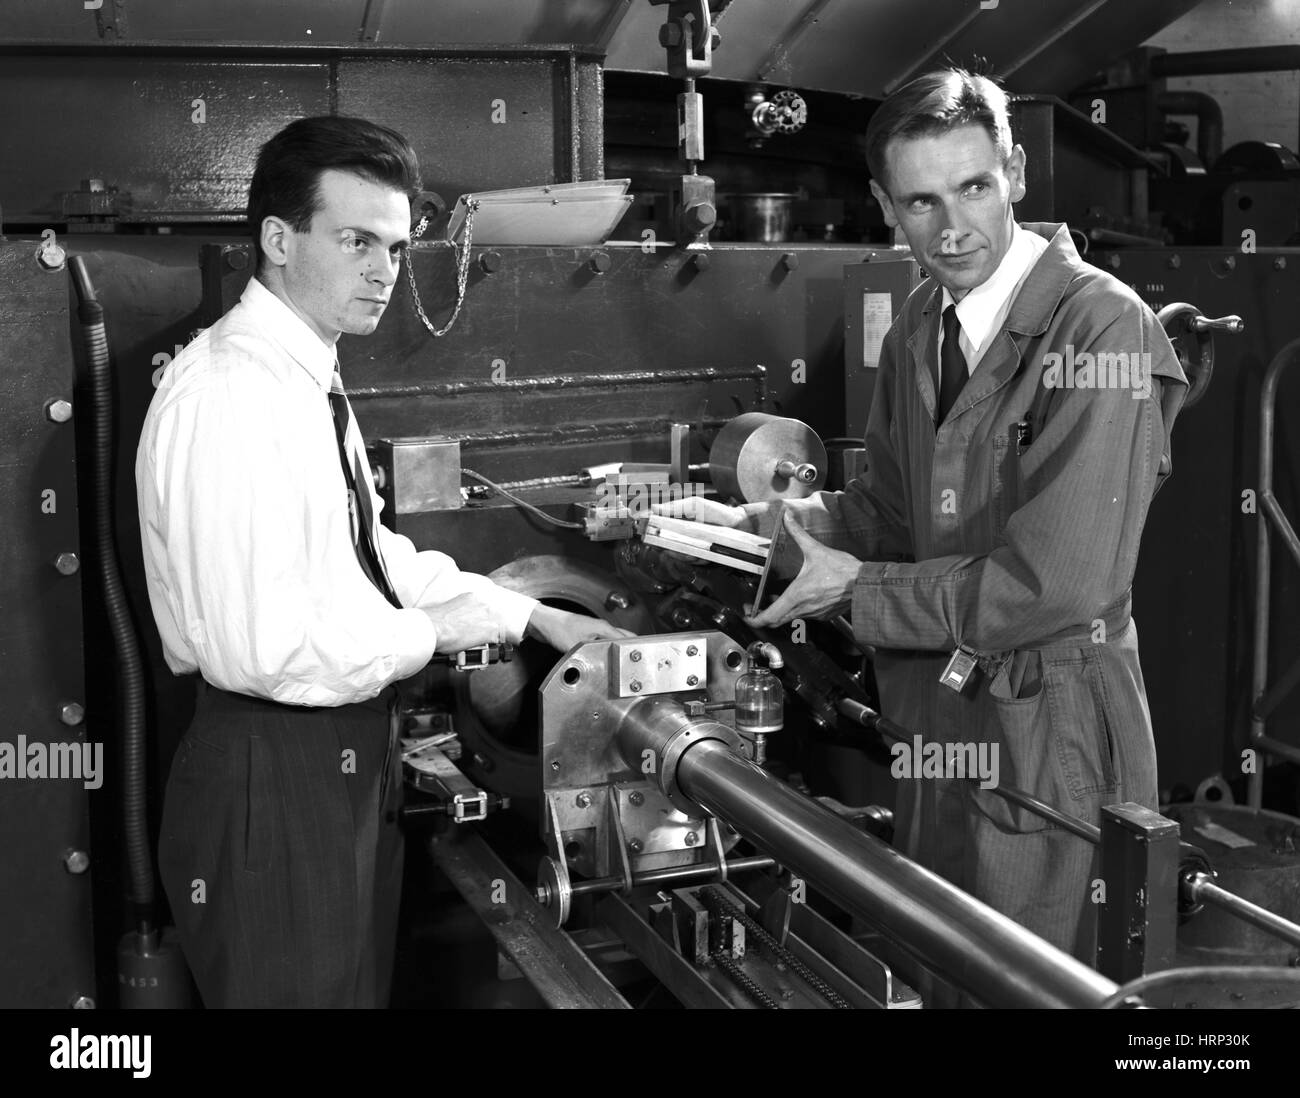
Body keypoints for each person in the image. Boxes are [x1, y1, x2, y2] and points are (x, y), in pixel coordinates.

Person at [662, 69, 1188, 990]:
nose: (952, 229)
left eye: (975, 188)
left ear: (1016, 172)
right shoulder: (919, 329)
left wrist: (858, 596)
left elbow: (1054, 583)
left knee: (1035, 980)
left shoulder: (1104, 332)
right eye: (921, 201)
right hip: (938, 709)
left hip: (1048, 722)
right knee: (938, 958)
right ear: (884, 205)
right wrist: (756, 526)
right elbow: (890, 515)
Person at [136, 115, 630, 1008]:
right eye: (356, 240)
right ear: (278, 240)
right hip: (273, 771)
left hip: (333, 757)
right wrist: (436, 632)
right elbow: (265, 647)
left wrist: (527, 613)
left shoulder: (305, 375)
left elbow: (369, 556)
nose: (382, 272)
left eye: (396, 249)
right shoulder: (232, 395)